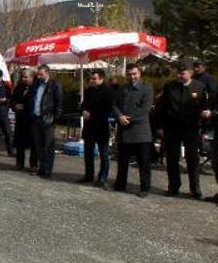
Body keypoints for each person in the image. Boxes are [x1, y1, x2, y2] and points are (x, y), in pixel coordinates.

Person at [157, 63, 210, 199]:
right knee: (172, 158)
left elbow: (205, 108)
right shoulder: (169, 87)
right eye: (178, 73)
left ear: (191, 73)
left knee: (192, 159)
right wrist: (160, 127)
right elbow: (161, 108)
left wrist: (204, 129)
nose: (179, 75)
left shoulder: (199, 87)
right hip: (172, 128)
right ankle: (173, 186)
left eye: (183, 73)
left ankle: (195, 189)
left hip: (191, 128)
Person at [112, 64, 154, 197]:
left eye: (134, 74)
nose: (132, 77)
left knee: (144, 163)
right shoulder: (122, 88)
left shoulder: (147, 88)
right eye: (129, 74)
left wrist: (128, 118)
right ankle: (120, 184)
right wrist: (119, 116)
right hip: (124, 131)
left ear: (140, 73)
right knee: (122, 161)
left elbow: (145, 109)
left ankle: (144, 188)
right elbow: (115, 104)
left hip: (140, 131)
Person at [79, 69, 114, 186]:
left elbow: (107, 109)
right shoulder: (89, 90)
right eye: (92, 78)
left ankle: (102, 177)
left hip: (100, 127)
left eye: (95, 79)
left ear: (101, 78)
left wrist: (91, 114)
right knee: (88, 153)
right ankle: (88, 175)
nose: (92, 81)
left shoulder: (108, 91)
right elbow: (83, 105)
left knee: (103, 154)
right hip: (89, 127)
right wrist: (83, 111)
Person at [29, 64, 63, 179]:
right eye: (38, 74)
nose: (39, 76)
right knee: (39, 145)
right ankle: (41, 167)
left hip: (48, 118)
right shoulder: (37, 84)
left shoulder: (54, 85)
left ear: (47, 73)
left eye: (41, 74)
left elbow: (59, 103)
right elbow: (34, 99)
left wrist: (55, 118)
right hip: (36, 117)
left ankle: (48, 169)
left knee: (48, 145)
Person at [11, 69, 37, 171]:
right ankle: (19, 163)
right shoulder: (19, 86)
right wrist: (14, 105)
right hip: (20, 119)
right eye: (22, 77)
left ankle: (33, 164)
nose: (23, 79)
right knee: (20, 143)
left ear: (31, 77)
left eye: (26, 77)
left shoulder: (36, 87)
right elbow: (13, 99)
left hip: (31, 119)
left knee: (33, 143)